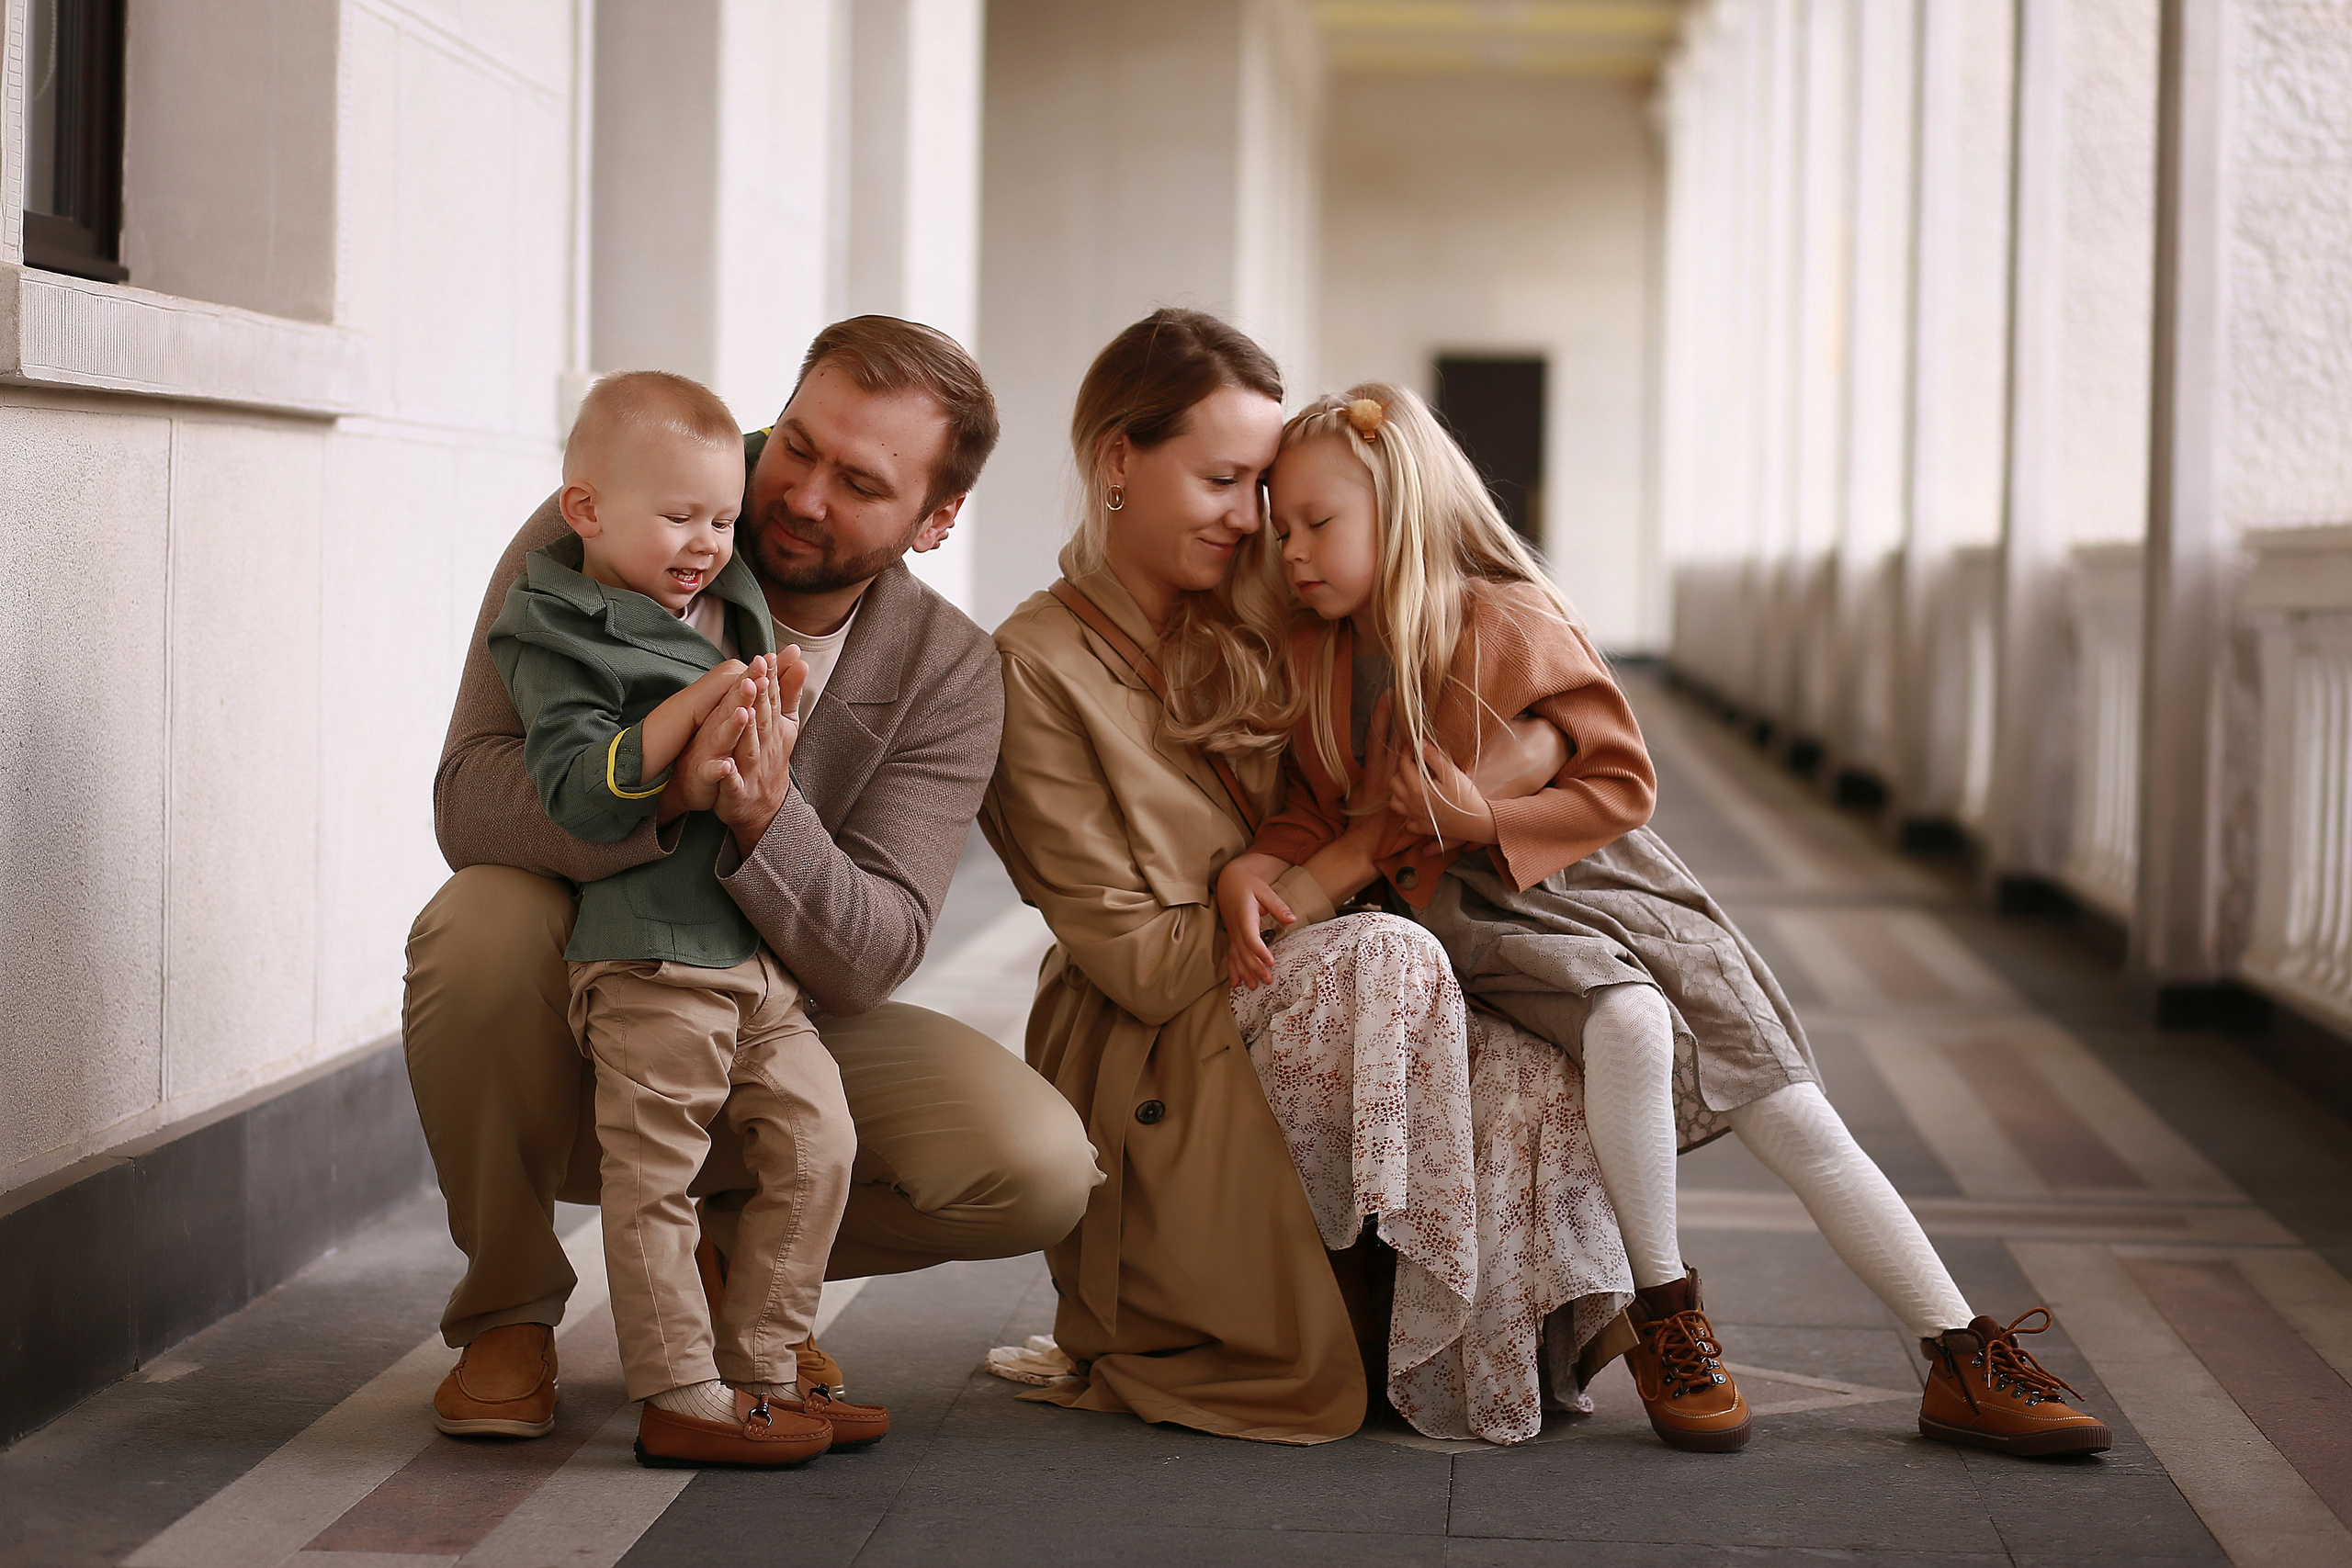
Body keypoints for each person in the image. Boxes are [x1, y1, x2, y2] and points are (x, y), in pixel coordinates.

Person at [1216, 382, 2112, 1460]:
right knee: (1629, 1025)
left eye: (1319, 525)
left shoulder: (1509, 618)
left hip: (1609, 880)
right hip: (1485, 910)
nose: (1294, 552)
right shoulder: (1321, 659)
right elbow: (1322, 805)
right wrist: (1258, 866)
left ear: (1401, 510)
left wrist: (1480, 807)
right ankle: (1667, 1311)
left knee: (1782, 1094)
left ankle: (1958, 1348)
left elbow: (1619, 781)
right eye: (1282, 531)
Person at [405, 318, 1102, 1444]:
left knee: (1034, 1169)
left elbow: (877, 949)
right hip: (583, 974)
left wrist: (766, 819)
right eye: (799, 446)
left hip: (777, 1010)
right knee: (477, 919)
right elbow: (470, 798)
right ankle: (508, 1311)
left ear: (935, 520)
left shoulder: (950, 671)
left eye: (860, 482)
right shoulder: (627, 515)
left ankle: (744, 1266)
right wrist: (664, 791)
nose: (802, 496)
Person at [980, 310, 1633, 1448]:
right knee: (1392, 958)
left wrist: (1517, 757)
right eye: (1224, 482)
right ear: (1117, 461)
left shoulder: (1275, 606)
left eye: (1268, 498)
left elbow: (1467, 701)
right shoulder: (1031, 666)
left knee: (1541, 1055)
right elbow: (1137, 960)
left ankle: (1452, 1350)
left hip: (1336, 955)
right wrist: (1345, 875)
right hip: (1156, 1024)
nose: (1251, 524)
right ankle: (1324, 1312)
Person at [483, 369, 870, 1468]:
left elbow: (764, 456)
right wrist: (690, 720)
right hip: (650, 954)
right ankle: (682, 1390)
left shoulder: (721, 584)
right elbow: (570, 792)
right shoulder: (557, 624)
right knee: (655, 1178)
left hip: (753, 956)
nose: (705, 540)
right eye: (677, 518)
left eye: (720, 517)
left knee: (818, 1142)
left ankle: (766, 1363)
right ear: (586, 512)